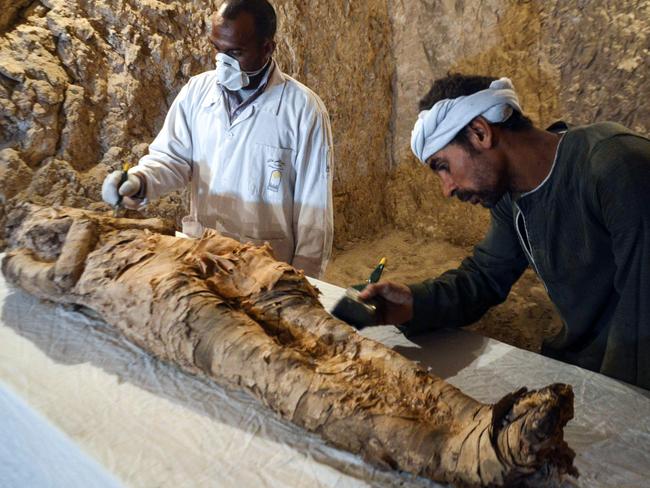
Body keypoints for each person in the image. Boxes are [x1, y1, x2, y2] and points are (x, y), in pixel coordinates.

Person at [360, 73, 650, 390]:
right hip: (586, 372)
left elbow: (642, 321)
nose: (447, 189)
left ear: (480, 132)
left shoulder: (615, 166)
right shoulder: (511, 199)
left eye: (443, 166)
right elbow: (485, 277)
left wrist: (610, 412)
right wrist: (413, 303)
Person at [102, 0, 333, 278]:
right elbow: (172, 159)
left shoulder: (302, 110)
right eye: (218, 50)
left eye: (235, 52)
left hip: (266, 268)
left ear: (267, 48)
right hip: (204, 255)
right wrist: (139, 182)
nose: (223, 63)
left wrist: (303, 283)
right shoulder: (197, 93)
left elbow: (314, 211)